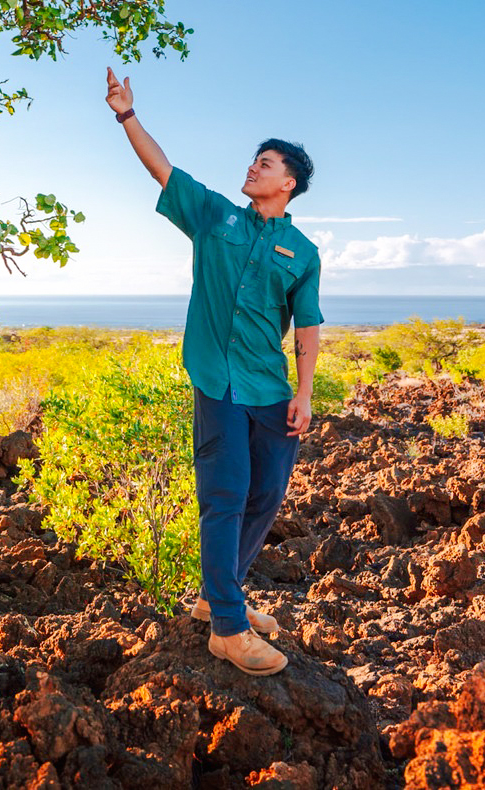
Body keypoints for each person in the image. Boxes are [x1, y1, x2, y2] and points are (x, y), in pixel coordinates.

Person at [106, 68, 325, 678]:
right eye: (254, 160)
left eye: (267, 163)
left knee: (266, 496)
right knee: (225, 495)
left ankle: (216, 594)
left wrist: (304, 394)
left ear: (289, 183)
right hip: (218, 382)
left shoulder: (303, 252)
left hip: (270, 388)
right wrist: (127, 114)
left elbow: (306, 327)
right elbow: (163, 169)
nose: (253, 168)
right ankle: (227, 627)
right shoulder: (215, 218)